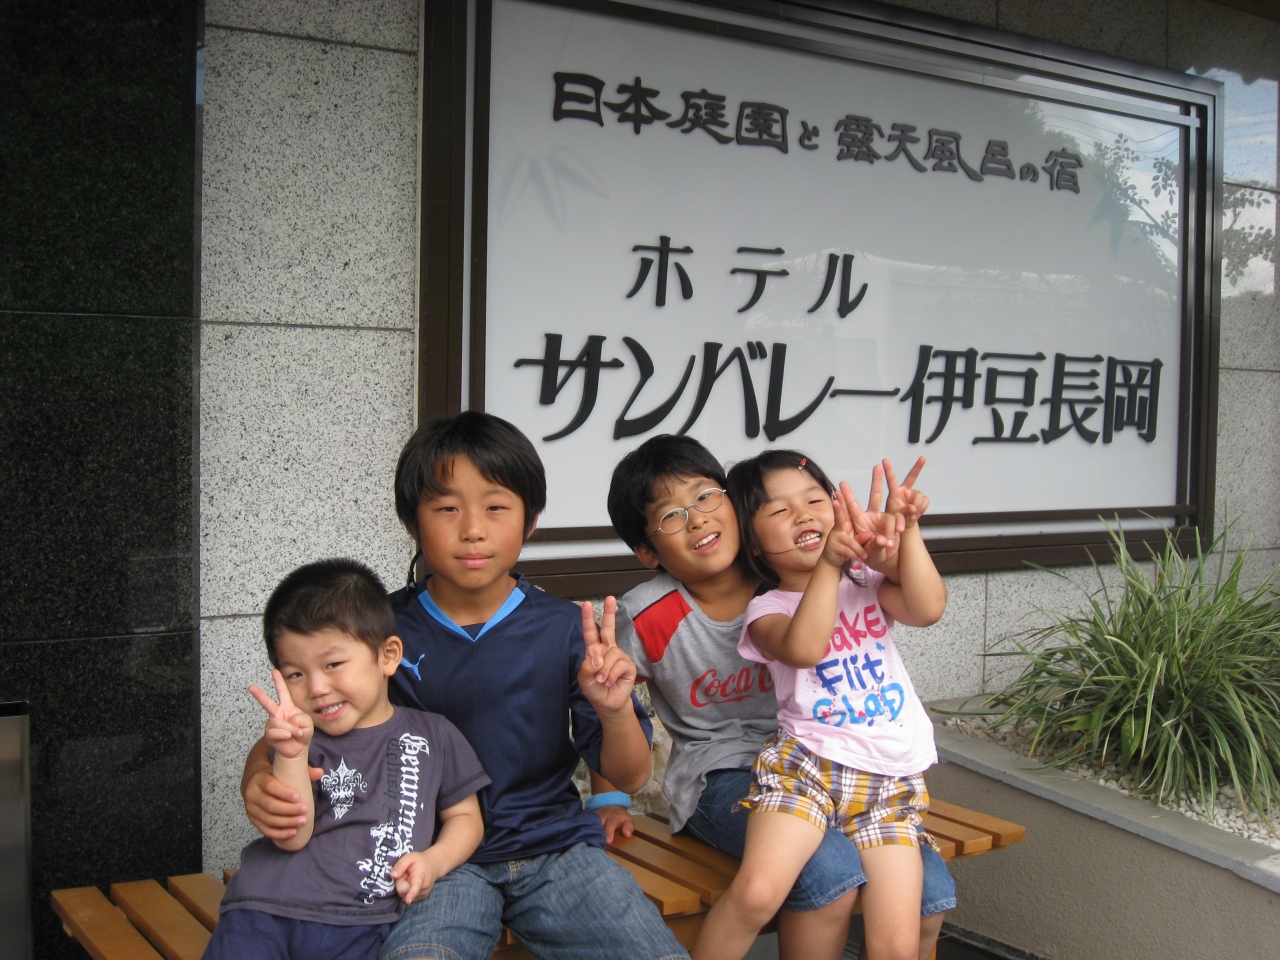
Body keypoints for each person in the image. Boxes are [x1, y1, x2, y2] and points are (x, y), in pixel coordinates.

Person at [241, 411, 688, 960]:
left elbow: (632, 775)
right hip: (433, 858)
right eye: (447, 508)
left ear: (530, 520)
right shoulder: (379, 633)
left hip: (556, 849)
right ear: (412, 521)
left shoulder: (566, 629)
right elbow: (299, 726)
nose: (472, 528)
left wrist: (615, 710)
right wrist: (257, 776)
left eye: (496, 507)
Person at [602, 435, 954, 960]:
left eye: (706, 497)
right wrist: (607, 796)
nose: (697, 520)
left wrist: (898, 542)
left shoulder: (803, 571)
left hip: (846, 764)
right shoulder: (659, 611)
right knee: (828, 872)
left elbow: (921, 603)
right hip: (730, 771)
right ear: (647, 550)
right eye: (671, 515)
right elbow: (609, 700)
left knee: (929, 891)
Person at [206, 559, 489, 960]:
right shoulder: (296, 740)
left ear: (388, 655)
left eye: (333, 664)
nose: (317, 687)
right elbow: (292, 835)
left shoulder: (435, 734)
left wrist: (434, 861)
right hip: (265, 911)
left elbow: (465, 817)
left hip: (364, 921)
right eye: (295, 674)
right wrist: (290, 754)